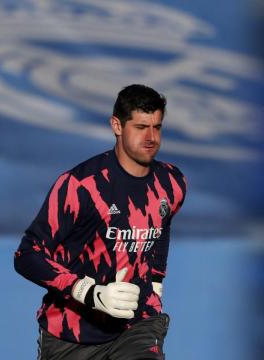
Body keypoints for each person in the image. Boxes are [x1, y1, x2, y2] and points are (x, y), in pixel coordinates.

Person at [14, 84, 186, 360]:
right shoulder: (80, 186)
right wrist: (89, 291)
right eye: (141, 127)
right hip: (70, 332)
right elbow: (26, 255)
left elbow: (162, 226)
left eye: (157, 127)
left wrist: (155, 278)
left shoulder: (172, 182)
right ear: (116, 125)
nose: (152, 137)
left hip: (138, 324)